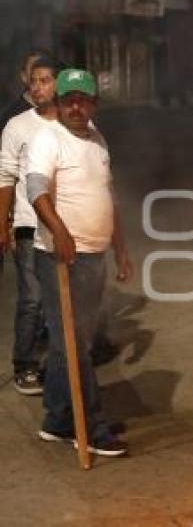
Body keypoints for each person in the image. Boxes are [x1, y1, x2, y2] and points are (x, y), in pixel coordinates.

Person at [26, 69, 132, 456]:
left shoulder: (98, 139)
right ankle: (92, 425)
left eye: (81, 99)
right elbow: (36, 190)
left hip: (94, 254)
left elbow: (110, 196)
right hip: (59, 257)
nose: (74, 106)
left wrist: (120, 248)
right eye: (67, 99)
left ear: (92, 103)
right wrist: (60, 231)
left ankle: (56, 419)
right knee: (74, 345)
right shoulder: (47, 139)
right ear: (58, 103)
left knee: (73, 342)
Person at [0, 55, 64, 395]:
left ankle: (60, 360)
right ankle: (24, 363)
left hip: (67, 226)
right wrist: (3, 223)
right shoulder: (17, 124)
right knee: (32, 299)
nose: (36, 87)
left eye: (44, 81)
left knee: (62, 299)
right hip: (28, 224)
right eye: (33, 81)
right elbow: (5, 177)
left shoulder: (73, 121)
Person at [0, 50, 50, 132]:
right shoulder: (10, 118)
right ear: (24, 77)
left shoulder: (62, 111)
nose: (40, 73)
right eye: (34, 68)